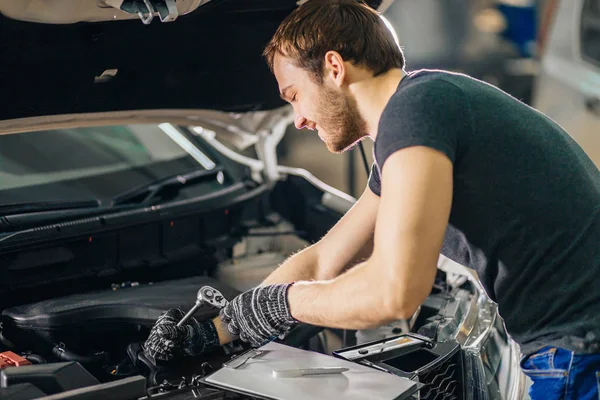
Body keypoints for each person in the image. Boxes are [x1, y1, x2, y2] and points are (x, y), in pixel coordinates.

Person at [144, 0, 600, 398]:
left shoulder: (416, 111)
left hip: (582, 351)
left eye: (294, 95)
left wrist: (284, 304)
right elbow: (325, 259)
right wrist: (220, 328)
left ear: (334, 68)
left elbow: (396, 293)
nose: (298, 119)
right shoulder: (424, 108)